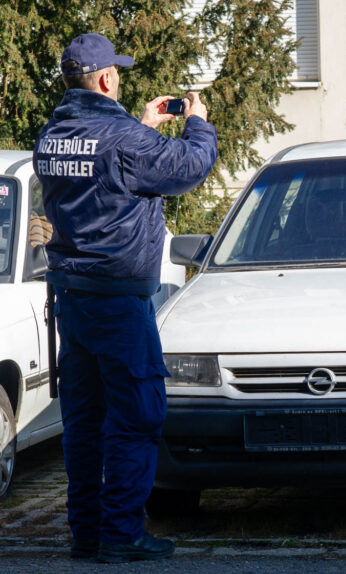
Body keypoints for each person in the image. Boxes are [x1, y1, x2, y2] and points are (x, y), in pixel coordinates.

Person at [33, 33, 218, 562]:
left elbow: (106, 176)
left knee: (84, 422)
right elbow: (189, 166)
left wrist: (143, 125)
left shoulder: (52, 137)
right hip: (117, 300)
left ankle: (87, 533)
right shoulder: (123, 140)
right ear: (107, 79)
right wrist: (197, 122)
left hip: (72, 301)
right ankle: (121, 534)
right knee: (137, 414)